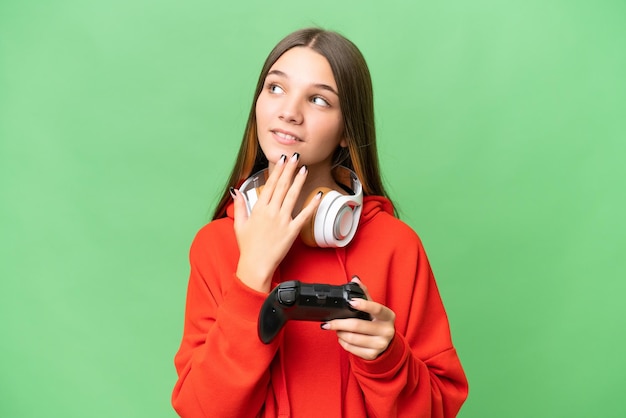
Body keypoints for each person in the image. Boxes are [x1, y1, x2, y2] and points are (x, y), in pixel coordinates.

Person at [172, 27, 468, 417]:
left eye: (318, 99)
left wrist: (387, 358)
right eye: (275, 88)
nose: (289, 112)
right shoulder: (216, 245)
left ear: (347, 130)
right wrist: (252, 275)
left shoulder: (396, 245)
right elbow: (200, 410)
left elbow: (437, 409)